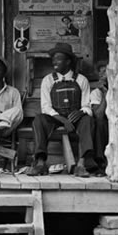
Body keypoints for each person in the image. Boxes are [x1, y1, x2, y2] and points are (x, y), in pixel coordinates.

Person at [27, 42, 98, 177]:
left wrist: (81, 112)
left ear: (68, 61)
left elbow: (87, 106)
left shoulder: (81, 80)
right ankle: (41, 163)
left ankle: (81, 164)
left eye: (58, 59)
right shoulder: (48, 80)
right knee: (39, 120)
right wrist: (62, 119)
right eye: (53, 59)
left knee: (87, 120)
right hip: (55, 118)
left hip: (74, 118)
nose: (54, 62)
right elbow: (46, 107)